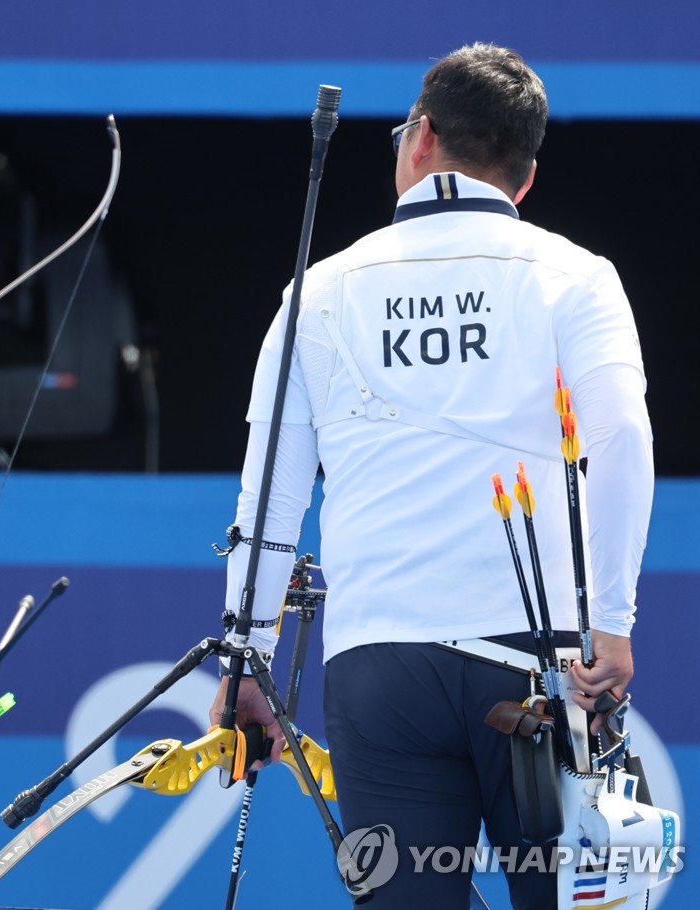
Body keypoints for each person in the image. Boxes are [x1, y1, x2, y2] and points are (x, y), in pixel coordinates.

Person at [208, 44, 652, 908]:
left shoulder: (320, 290)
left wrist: (248, 657)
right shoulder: (578, 277)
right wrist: (613, 623)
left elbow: (270, 494)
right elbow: (623, 439)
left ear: (420, 141)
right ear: (523, 179)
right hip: (543, 663)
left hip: (384, 670)